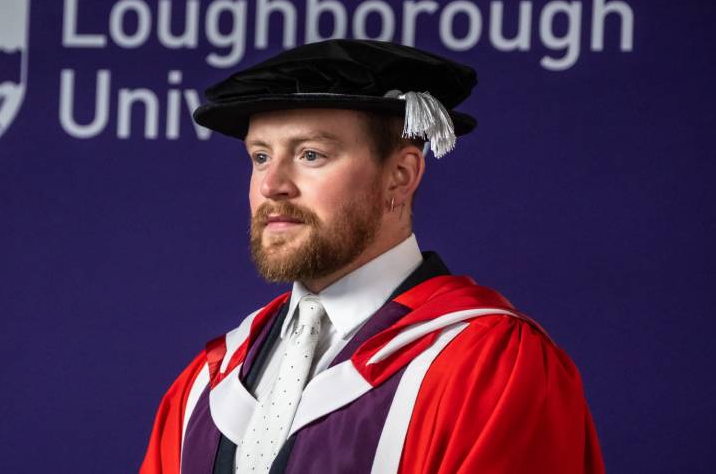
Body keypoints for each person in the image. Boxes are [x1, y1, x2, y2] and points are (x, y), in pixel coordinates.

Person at [140, 39, 604, 473]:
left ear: (400, 176)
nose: (271, 184)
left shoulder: (486, 367)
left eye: (311, 154)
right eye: (260, 156)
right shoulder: (210, 379)